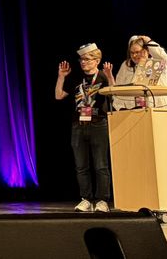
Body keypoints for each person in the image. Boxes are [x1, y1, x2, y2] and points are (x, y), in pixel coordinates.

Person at [56, 42, 114, 213]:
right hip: (78, 125)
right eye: (81, 60)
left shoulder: (103, 77)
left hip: (99, 124)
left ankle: (102, 200)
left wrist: (110, 76)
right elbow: (58, 96)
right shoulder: (75, 78)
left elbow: (114, 94)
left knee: (100, 165)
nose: (83, 63)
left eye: (87, 60)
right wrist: (61, 76)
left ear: (97, 60)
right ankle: (86, 199)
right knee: (81, 166)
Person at [112, 35, 167, 110]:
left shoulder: (157, 63)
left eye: (137, 52)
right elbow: (119, 89)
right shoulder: (126, 66)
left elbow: (163, 57)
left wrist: (149, 41)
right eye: (132, 53)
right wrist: (120, 109)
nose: (134, 55)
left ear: (146, 50)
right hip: (136, 112)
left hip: (159, 110)